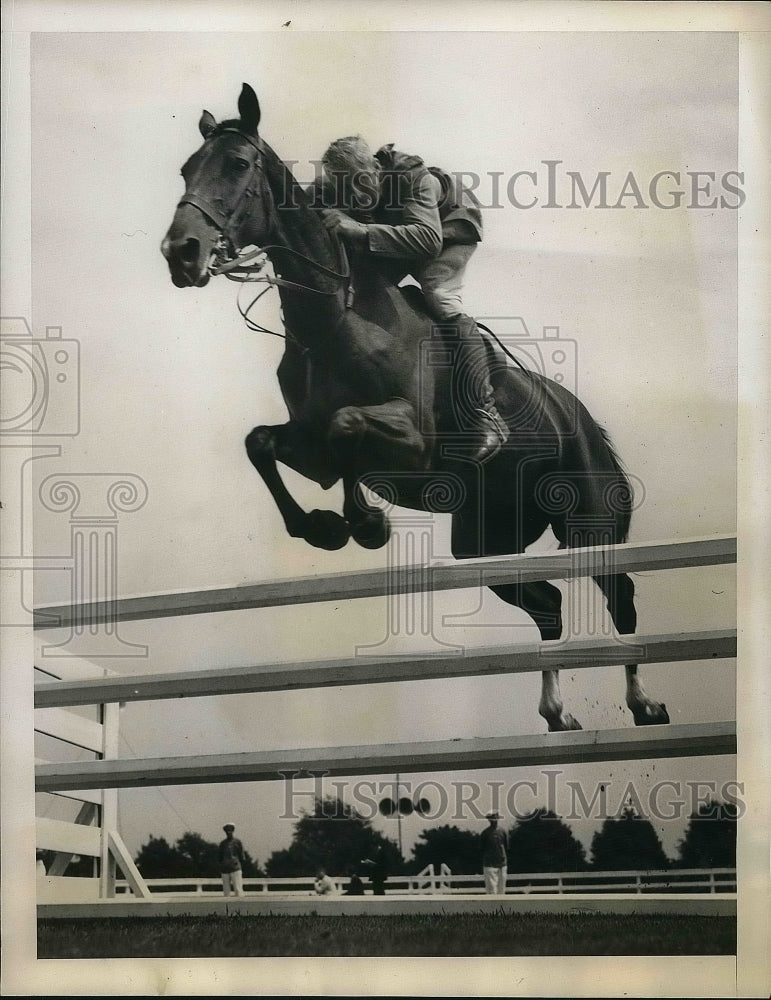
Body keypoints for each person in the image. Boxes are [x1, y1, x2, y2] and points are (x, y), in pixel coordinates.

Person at [309, 135, 509, 464]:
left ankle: (486, 413)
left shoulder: (418, 180)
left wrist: (357, 229)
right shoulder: (331, 184)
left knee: (437, 292)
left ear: (374, 168)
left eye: (361, 183)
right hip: (400, 230)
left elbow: (428, 241)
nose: (354, 197)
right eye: (344, 189)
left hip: (446, 230)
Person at [480, 811, 509, 894]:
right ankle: (492, 907)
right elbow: (482, 849)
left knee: (501, 890)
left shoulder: (503, 832)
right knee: (491, 891)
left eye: (495, 817)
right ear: (488, 820)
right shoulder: (485, 833)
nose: (493, 820)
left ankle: (501, 907)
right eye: (491, 818)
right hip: (489, 865)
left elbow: (506, 847)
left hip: (502, 864)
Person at [218, 823, 245, 897]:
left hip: (235, 868)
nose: (228, 832)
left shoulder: (237, 842)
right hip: (225, 869)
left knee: (238, 890)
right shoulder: (222, 844)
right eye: (227, 831)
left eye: (230, 830)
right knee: (226, 892)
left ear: (233, 831)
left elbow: (242, 856)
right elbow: (219, 857)